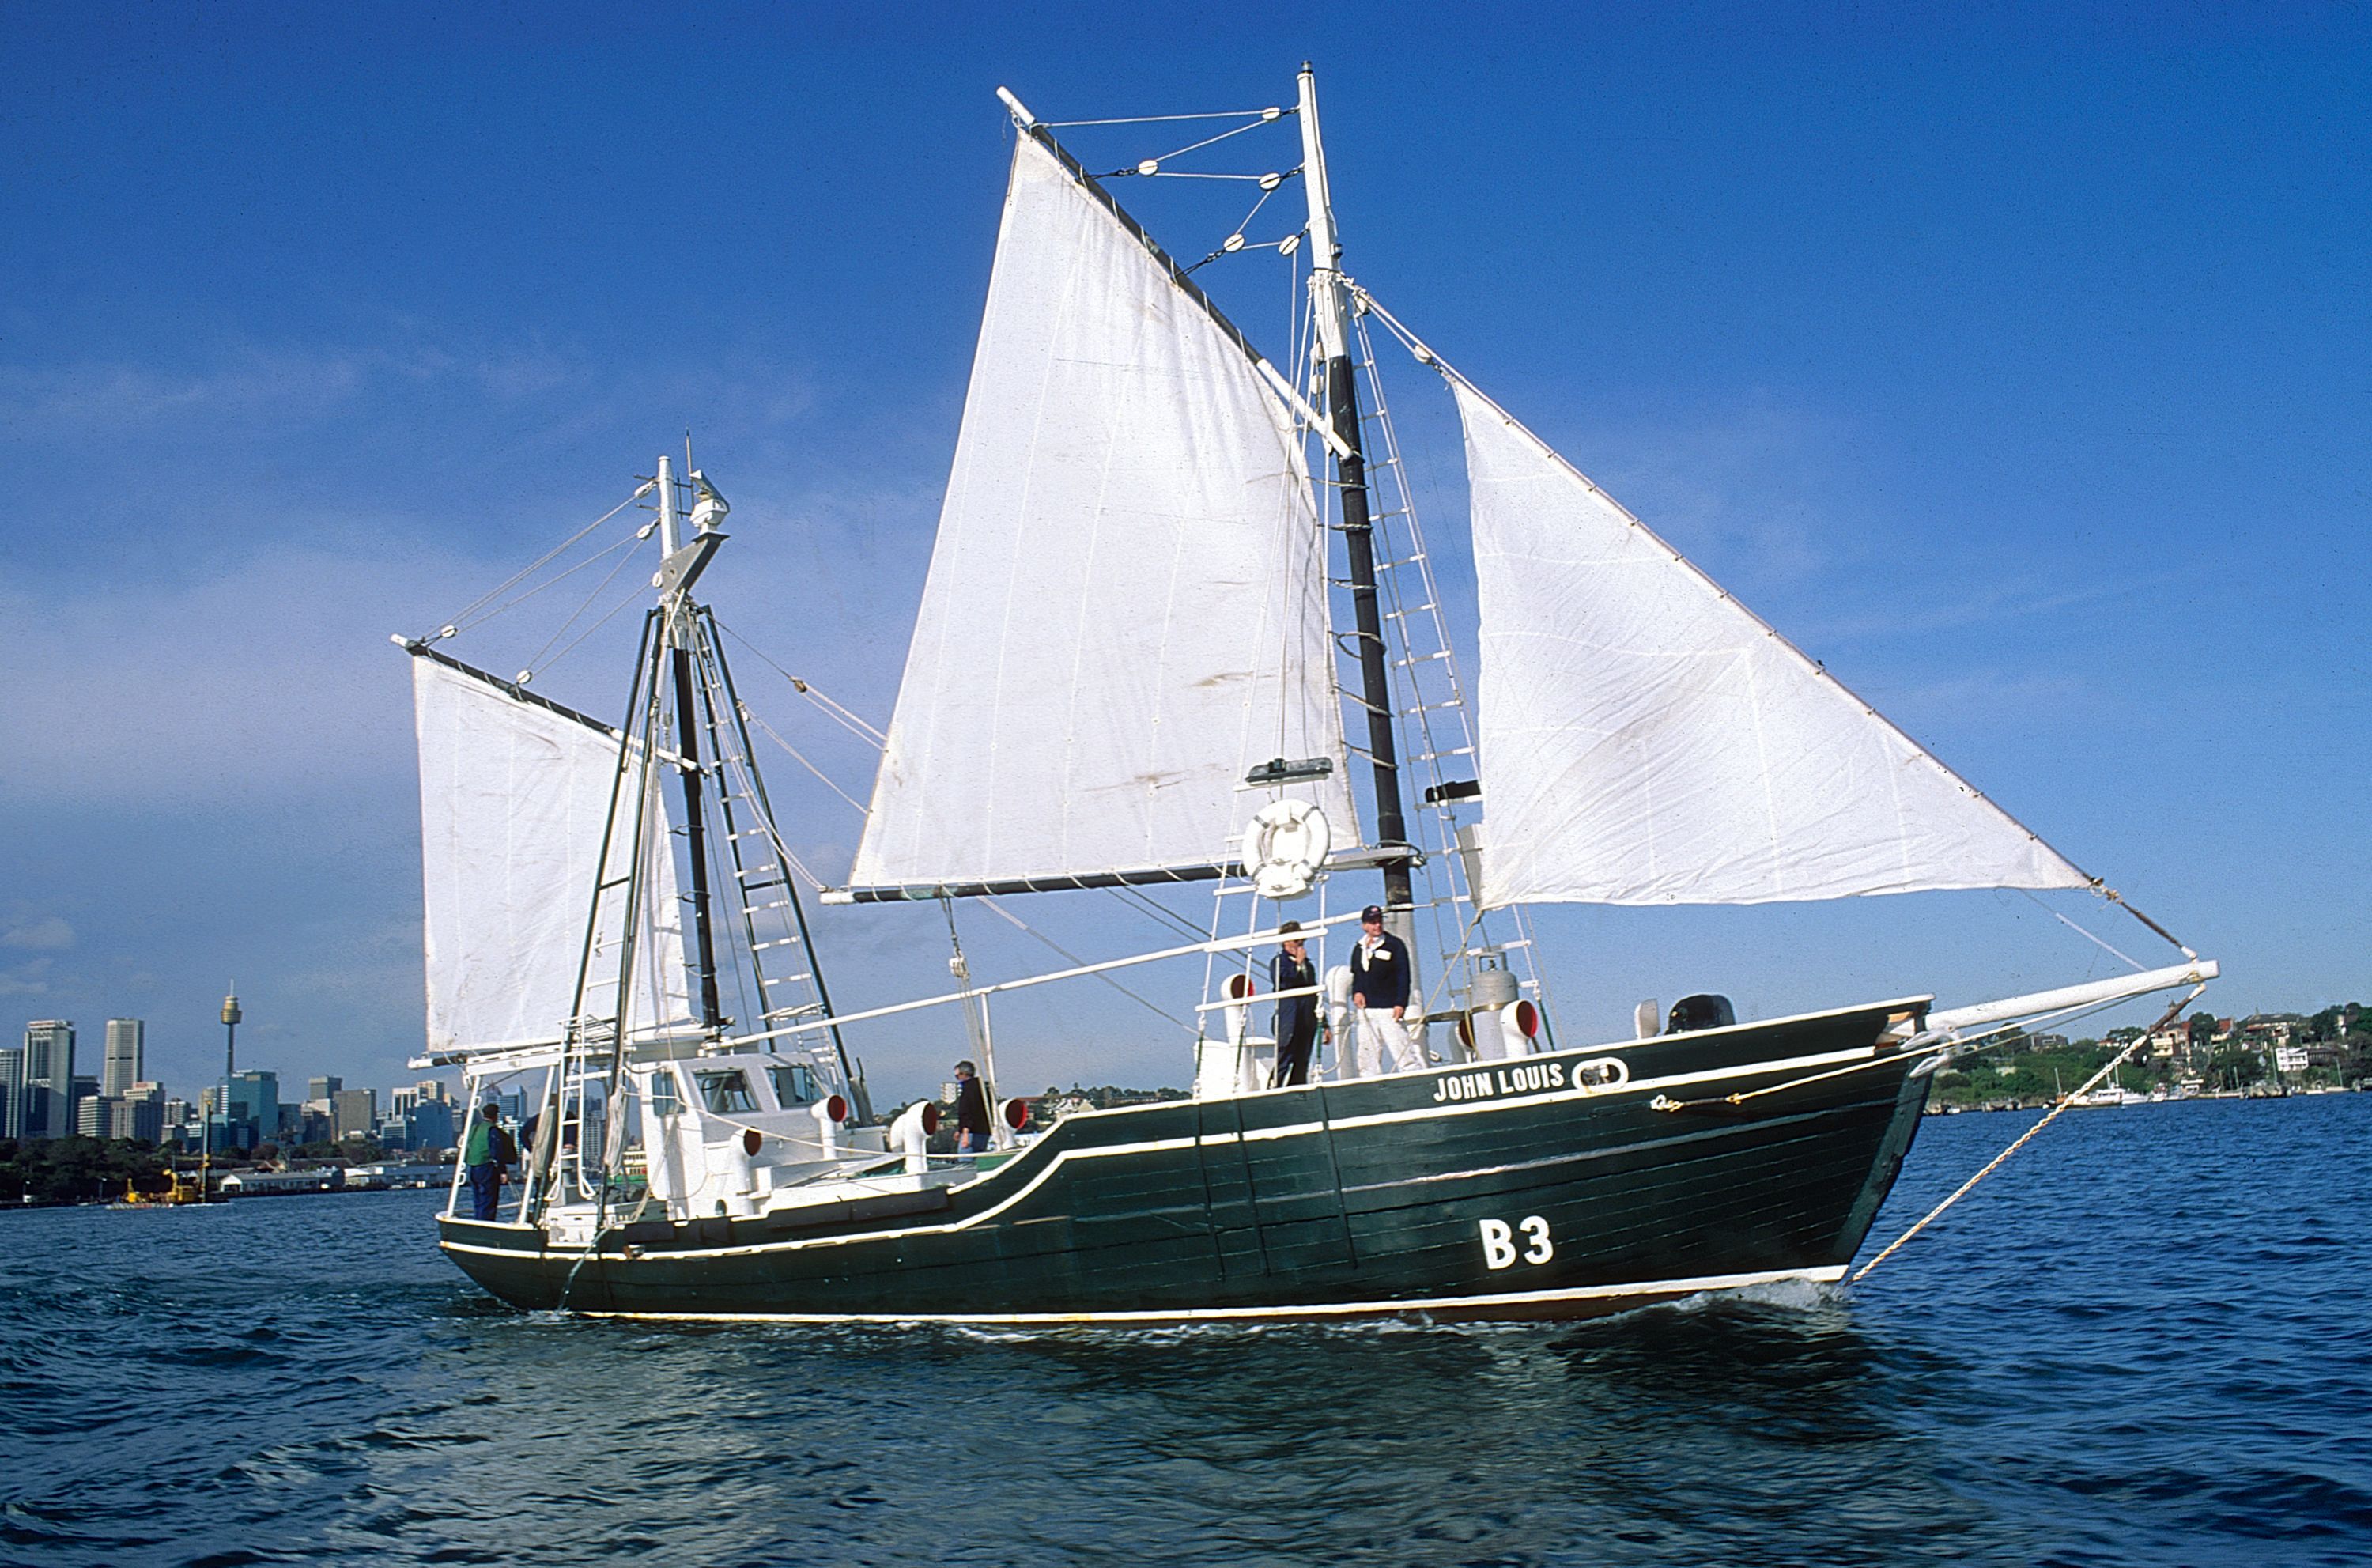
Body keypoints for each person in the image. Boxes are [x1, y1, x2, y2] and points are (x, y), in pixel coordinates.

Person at [1350, 904, 1422, 1076]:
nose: (1377, 925)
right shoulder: (1358, 948)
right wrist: (1357, 992)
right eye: (1372, 922)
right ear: (1364, 925)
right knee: (1367, 1054)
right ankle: (1369, 1083)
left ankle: (1414, 1076)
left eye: (1379, 921)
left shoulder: (1394, 945)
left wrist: (1400, 1003)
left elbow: (1403, 976)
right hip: (1367, 1010)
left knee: (1402, 1049)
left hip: (1389, 1008)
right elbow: (1357, 974)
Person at [1271, 920, 1320, 1087]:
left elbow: (1314, 993)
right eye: (1296, 941)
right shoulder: (1279, 962)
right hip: (1289, 1021)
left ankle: (1297, 1092)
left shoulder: (1309, 967)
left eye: (1301, 941)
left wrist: (1324, 1023)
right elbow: (1283, 982)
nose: (1299, 945)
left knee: (1302, 1062)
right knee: (1283, 1059)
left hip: (1306, 1020)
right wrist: (1297, 964)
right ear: (1285, 941)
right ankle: (1273, 1091)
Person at [462, 1100, 517, 1221]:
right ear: (496, 1115)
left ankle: (478, 1221)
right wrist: (503, 1171)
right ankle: (486, 1222)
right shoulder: (492, 1130)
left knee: (478, 1199)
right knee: (489, 1199)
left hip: (473, 1166)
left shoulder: (474, 1129)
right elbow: (496, 1151)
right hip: (487, 1167)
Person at [950, 1060, 991, 1154]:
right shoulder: (983, 1088)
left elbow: (966, 1112)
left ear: (964, 1074)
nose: (958, 1079)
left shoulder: (968, 1089)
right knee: (979, 1162)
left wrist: (964, 1134)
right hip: (984, 1131)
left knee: (966, 1163)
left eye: (958, 1076)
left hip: (971, 1132)